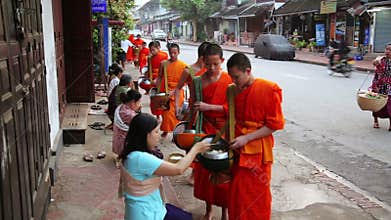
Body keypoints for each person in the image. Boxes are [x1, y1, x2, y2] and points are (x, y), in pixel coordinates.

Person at [226, 53, 285, 220]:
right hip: (238, 149)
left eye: (236, 77)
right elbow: (232, 119)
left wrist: (247, 138)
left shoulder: (268, 89)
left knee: (256, 195)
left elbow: (274, 125)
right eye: (231, 77)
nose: (234, 81)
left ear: (248, 71)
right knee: (237, 193)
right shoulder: (234, 91)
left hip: (258, 154)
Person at [119, 113, 211, 220]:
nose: (159, 135)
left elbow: (162, 165)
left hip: (150, 207)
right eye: (156, 132)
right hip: (146, 214)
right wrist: (196, 149)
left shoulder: (133, 153)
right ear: (146, 135)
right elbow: (178, 169)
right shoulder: (140, 158)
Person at [192, 43, 232, 220]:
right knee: (205, 172)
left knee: (224, 171)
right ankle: (208, 208)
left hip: (225, 130)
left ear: (222, 61)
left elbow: (234, 108)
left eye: (216, 64)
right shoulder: (198, 81)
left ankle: (225, 210)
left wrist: (209, 106)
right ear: (203, 61)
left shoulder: (230, 81)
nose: (212, 68)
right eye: (208, 64)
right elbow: (194, 104)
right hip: (205, 129)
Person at [155, 43, 187, 138]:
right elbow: (160, 77)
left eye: (175, 53)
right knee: (166, 114)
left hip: (178, 93)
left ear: (179, 52)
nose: (172, 55)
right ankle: (165, 130)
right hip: (166, 92)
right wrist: (157, 90)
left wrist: (174, 91)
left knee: (176, 114)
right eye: (171, 53)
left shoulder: (184, 66)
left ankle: (176, 134)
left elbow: (187, 81)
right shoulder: (163, 64)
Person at [174, 41, 210, 120]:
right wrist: (177, 106)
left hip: (210, 108)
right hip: (193, 109)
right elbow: (178, 88)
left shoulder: (211, 71)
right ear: (202, 58)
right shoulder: (189, 70)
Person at [112, 90, 142, 168]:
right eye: (138, 102)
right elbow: (142, 124)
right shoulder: (130, 114)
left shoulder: (122, 106)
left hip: (118, 141)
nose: (139, 105)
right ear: (132, 102)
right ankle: (125, 159)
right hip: (124, 143)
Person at [371, 42, 391, 131]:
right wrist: (376, 62)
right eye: (387, 49)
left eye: (390, 50)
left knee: (389, 105)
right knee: (376, 105)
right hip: (379, 85)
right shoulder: (381, 59)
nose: (388, 51)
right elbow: (374, 63)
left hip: (389, 86)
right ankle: (375, 121)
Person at [148, 41, 169, 118]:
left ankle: (162, 115)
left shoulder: (164, 56)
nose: (152, 52)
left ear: (158, 48)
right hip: (153, 79)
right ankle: (157, 116)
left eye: (153, 50)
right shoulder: (150, 58)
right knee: (154, 99)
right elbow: (149, 69)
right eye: (151, 50)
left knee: (161, 99)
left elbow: (166, 69)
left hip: (162, 79)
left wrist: (158, 79)